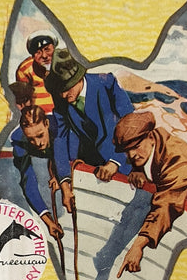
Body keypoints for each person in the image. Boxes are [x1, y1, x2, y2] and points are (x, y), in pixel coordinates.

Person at [113, 111, 187, 273]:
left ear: (151, 137)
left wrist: (138, 246)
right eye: (127, 151)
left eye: (135, 147)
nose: (132, 155)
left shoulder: (176, 156)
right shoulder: (151, 147)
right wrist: (138, 171)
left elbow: (167, 203)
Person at [45, 48, 134, 212]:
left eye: (67, 88)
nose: (63, 95)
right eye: (60, 91)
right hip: (92, 170)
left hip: (124, 167)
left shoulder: (107, 83)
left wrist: (115, 162)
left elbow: (132, 125)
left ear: (78, 79)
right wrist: (65, 185)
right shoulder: (61, 100)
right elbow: (60, 140)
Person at [10, 105, 63, 239]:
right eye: (31, 139)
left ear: (47, 124)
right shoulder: (19, 142)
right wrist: (48, 221)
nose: (38, 143)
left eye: (40, 136)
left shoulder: (61, 126)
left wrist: (59, 175)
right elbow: (29, 184)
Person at [15, 31, 57, 114]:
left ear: (54, 49)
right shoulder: (25, 69)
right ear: (33, 56)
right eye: (38, 52)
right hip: (39, 116)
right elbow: (22, 100)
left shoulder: (63, 63)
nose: (44, 56)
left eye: (47, 49)